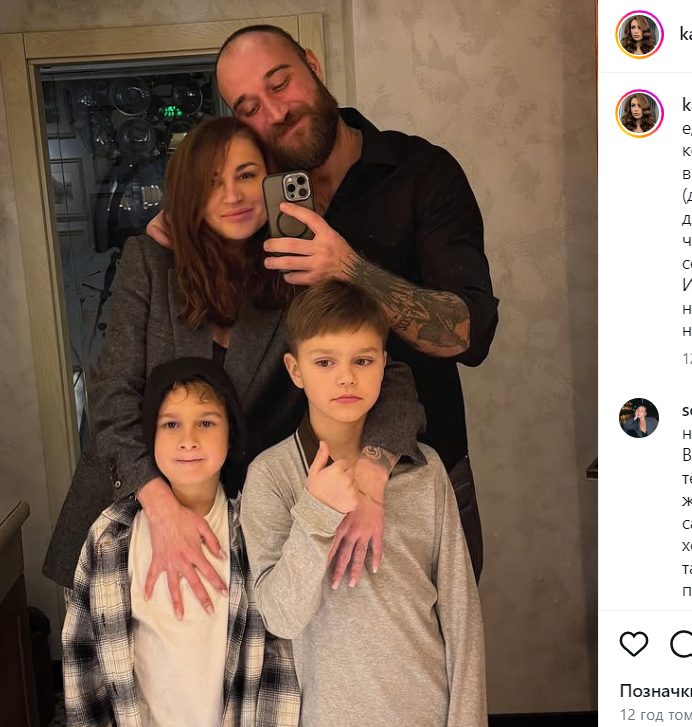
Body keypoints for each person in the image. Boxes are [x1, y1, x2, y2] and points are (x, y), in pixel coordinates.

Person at [150, 25, 497, 582]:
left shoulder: (420, 173)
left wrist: (349, 269)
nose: (274, 113)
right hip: (296, 482)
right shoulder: (253, 202)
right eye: (249, 107)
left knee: (438, 630)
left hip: (419, 469)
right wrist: (189, 219)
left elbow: (470, 334)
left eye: (280, 83)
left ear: (312, 64)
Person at [43, 117, 425, 616]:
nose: (232, 195)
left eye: (247, 174)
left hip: (243, 517)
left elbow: (387, 374)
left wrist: (374, 471)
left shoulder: (300, 270)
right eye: (211, 181)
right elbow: (113, 398)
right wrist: (159, 505)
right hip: (128, 504)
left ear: (270, 180)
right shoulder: (149, 262)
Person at [241, 280, 485, 727]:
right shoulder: (272, 476)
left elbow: (461, 613)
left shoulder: (425, 469)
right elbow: (280, 617)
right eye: (325, 362)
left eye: (363, 360)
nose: (346, 377)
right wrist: (316, 512)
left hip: (428, 711)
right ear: (295, 370)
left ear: (384, 364)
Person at [62, 357, 299, 727]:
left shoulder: (254, 529)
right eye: (171, 424)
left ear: (231, 434)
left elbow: (279, 660)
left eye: (206, 422)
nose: (188, 440)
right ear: (150, 437)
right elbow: (82, 656)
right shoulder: (110, 536)